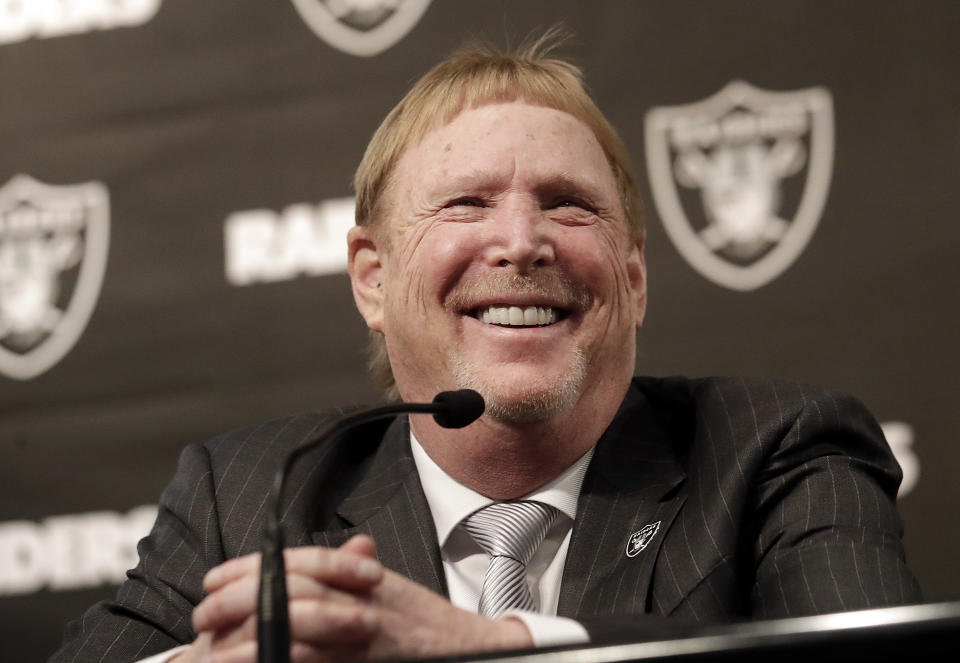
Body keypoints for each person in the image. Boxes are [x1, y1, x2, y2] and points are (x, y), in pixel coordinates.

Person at [50, 32, 920, 663]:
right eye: (466, 203)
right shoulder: (243, 495)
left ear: (634, 274)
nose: (522, 242)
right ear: (371, 279)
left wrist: (486, 649)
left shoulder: (776, 449)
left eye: (568, 205)